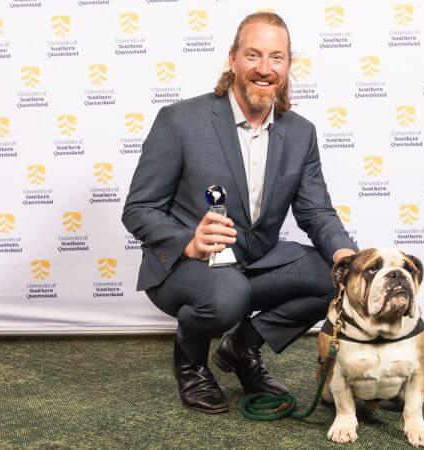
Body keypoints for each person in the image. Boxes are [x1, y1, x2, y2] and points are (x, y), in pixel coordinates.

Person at [122, 12, 357, 414]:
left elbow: (316, 211)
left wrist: (348, 258)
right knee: (230, 294)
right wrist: (190, 242)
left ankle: (240, 348)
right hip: (186, 265)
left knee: (337, 281)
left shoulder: (300, 132)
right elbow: (138, 209)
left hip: (255, 260)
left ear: (287, 66)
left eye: (276, 58)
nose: (264, 69)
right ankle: (191, 364)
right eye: (254, 55)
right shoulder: (180, 121)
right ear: (233, 59)